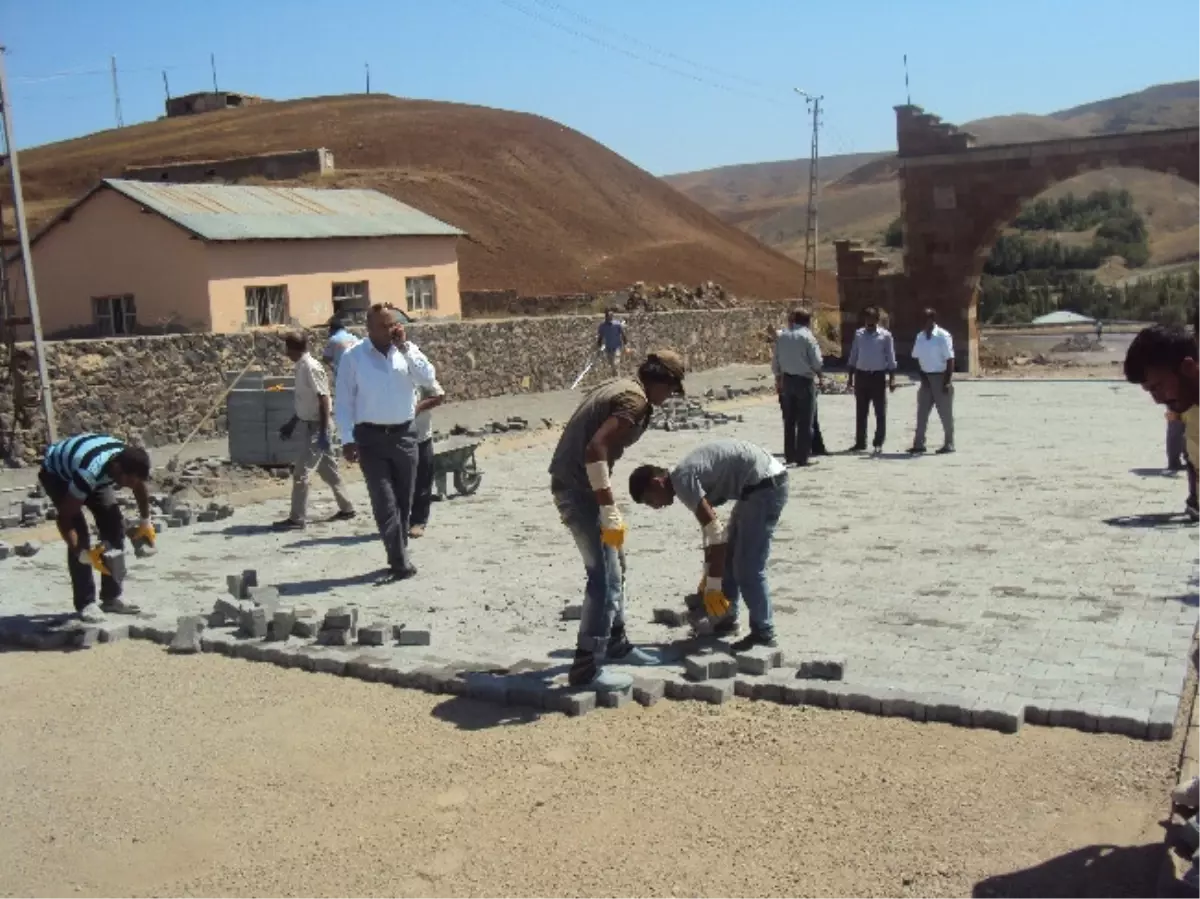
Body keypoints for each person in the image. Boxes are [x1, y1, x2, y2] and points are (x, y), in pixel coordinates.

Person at [548, 350, 686, 690]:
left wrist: (605, 501)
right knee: (604, 578)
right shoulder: (633, 401)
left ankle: (616, 643)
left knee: (616, 564)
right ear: (660, 381)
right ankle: (586, 668)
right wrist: (607, 507)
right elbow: (595, 449)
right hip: (580, 491)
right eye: (671, 390)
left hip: (584, 487)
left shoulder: (623, 386)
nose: (669, 398)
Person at [629, 438, 788, 651]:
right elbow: (710, 532)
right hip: (756, 485)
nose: (655, 507)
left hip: (766, 486)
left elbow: (715, 533)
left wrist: (713, 585)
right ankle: (725, 618)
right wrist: (708, 575)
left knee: (748, 567)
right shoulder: (683, 478)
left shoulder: (683, 481)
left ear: (657, 483)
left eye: (651, 501)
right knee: (730, 556)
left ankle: (764, 632)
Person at [335, 304, 438, 584]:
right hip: (370, 439)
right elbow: (343, 402)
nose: (391, 329)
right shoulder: (353, 358)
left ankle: (399, 553)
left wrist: (405, 348)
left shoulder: (408, 351)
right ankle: (399, 561)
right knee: (384, 501)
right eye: (384, 325)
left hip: (406, 436)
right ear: (369, 329)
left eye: (394, 323)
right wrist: (347, 438)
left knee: (404, 500)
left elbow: (428, 379)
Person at [39, 433, 154, 622]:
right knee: (80, 533)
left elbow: (139, 486)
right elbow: (64, 519)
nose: (131, 486)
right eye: (129, 480)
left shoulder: (126, 461)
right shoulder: (89, 473)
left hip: (95, 472)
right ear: (117, 469)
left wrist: (145, 521)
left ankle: (111, 597)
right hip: (58, 475)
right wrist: (81, 553)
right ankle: (86, 603)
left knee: (114, 524)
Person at [275, 331, 356, 531]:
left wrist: (322, 434)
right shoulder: (301, 367)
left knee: (301, 473)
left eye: (287, 348)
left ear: (293, 349)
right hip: (311, 424)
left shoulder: (310, 367)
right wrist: (292, 423)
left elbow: (323, 399)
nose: (285, 353)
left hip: (318, 426)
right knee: (330, 472)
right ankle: (347, 508)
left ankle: (297, 518)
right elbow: (307, 402)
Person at [1123, 324, 1200, 521]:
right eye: (1150, 392)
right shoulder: (1191, 415)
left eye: (1158, 387)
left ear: (1188, 368)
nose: (1157, 400)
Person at [772, 307, 823, 467]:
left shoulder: (783, 336)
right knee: (805, 421)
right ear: (807, 321)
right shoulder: (808, 337)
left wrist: (779, 379)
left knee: (789, 420)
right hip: (804, 381)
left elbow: (775, 362)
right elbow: (817, 362)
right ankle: (802, 457)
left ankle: (790, 455)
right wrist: (820, 375)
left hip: (787, 381)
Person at [847, 306, 897, 453]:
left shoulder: (885, 336)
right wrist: (850, 378)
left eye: (871, 319)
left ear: (877, 319)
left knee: (880, 411)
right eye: (866, 318)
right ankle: (860, 442)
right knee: (861, 411)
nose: (868, 321)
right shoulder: (859, 334)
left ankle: (878, 441)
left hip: (878, 376)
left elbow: (891, 358)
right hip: (861, 376)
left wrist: (892, 379)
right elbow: (853, 355)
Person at [909, 308, 956, 454]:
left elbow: (950, 359)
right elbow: (916, 357)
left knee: (945, 414)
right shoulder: (920, 337)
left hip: (941, 377)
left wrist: (947, 381)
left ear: (932, 320)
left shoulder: (942, 336)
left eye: (924, 319)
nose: (921, 323)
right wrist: (922, 376)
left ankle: (949, 443)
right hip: (926, 378)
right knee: (921, 413)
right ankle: (919, 444)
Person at [409, 376, 447, 539]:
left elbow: (438, 396)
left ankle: (418, 521)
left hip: (420, 436)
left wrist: (416, 408)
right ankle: (397, 519)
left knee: (422, 481)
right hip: (393, 438)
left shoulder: (419, 369)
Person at [596, 310, 627, 377]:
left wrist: (625, 344)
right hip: (608, 348)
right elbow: (600, 337)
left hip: (617, 347)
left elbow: (623, 334)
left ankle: (617, 377)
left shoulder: (617, 324)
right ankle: (615, 377)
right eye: (607, 316)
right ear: (605, 316)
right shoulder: (602, 326)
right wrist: (599, 347)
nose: (608, 317)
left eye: (610, 316)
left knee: (616, 363)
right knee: (611, 364)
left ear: (612, 316)